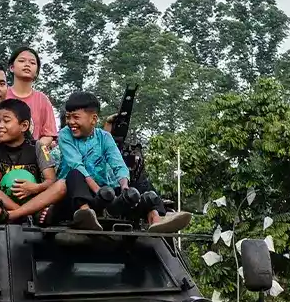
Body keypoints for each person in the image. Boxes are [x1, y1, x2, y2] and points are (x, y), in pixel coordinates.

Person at [51, 91, 191, 232]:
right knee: (75, 174)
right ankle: (85, 214)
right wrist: (99, 192)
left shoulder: (104, 137)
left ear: (93, 119)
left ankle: (157, 217)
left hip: (104, 192)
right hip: (76, 193)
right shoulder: (65, 135)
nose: (70, 122)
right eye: (68, 117)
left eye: (76, 117)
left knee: (139, 184)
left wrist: (125, 189)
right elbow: (77, 165)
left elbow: (118, 164)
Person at [5, 46, 58, 148]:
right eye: (22, 61)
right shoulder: (2, 95)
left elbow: (48, 135)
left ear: (37, 71)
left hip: (32, 157)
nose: (27, 65)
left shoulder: (42, 100)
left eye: (32, 63)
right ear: (11, 67)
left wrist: (31, 150)